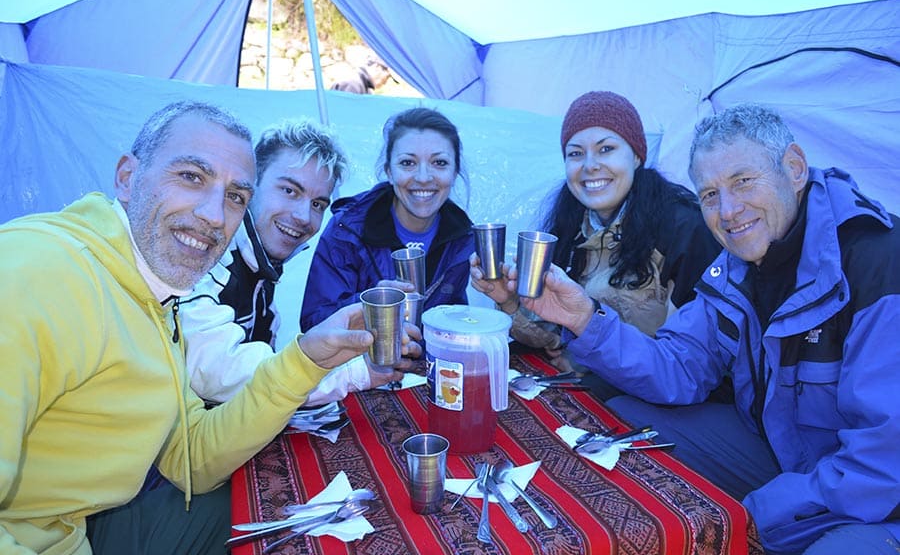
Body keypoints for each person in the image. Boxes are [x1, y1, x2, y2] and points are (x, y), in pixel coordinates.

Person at [0, 101, 400, 555]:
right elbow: (217, 369)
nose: (215, 215)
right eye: (192, 177)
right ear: (127, 177)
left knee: (298, 531)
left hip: (73, 541)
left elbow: (189, 456)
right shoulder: (34, 273)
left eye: (234, 195)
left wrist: (306, 361)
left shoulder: (156, 294)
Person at [510, 104, 900, 555]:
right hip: (784, 451)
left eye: (742, 181)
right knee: (627, 427)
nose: (728, 211)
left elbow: (883, 464)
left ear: (794, 169)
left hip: (883, 500)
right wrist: (584, 320)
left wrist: (744, 514)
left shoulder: (879, 264)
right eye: (711, 194)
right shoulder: (737, 265)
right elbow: (676, 368)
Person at [471, 90, 720, 374]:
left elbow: (687, 368)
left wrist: (591, 366)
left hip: (662, 403)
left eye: (606, 149)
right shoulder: (571, 228)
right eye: (576, 154)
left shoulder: (684, 230)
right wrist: (510, 301)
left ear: (637, 156)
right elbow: (556, 336)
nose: (590, 166)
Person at [180, 119, 406, 406]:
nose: (303, 216)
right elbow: (216, 372)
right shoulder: (204, 253)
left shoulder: (262, 274)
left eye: (317, 204)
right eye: (290, 191)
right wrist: (358, 373)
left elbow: (266, 370)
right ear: (250, 184)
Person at [301, 106, 474, 330]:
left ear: (454, 171)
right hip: (359, 363)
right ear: (389, 172)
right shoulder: (347, 230)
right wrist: (372, 305)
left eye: (439, 162)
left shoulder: (462, 239)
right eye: (407, 163)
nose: (423, 177)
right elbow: (314, 322)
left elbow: (451, 321)